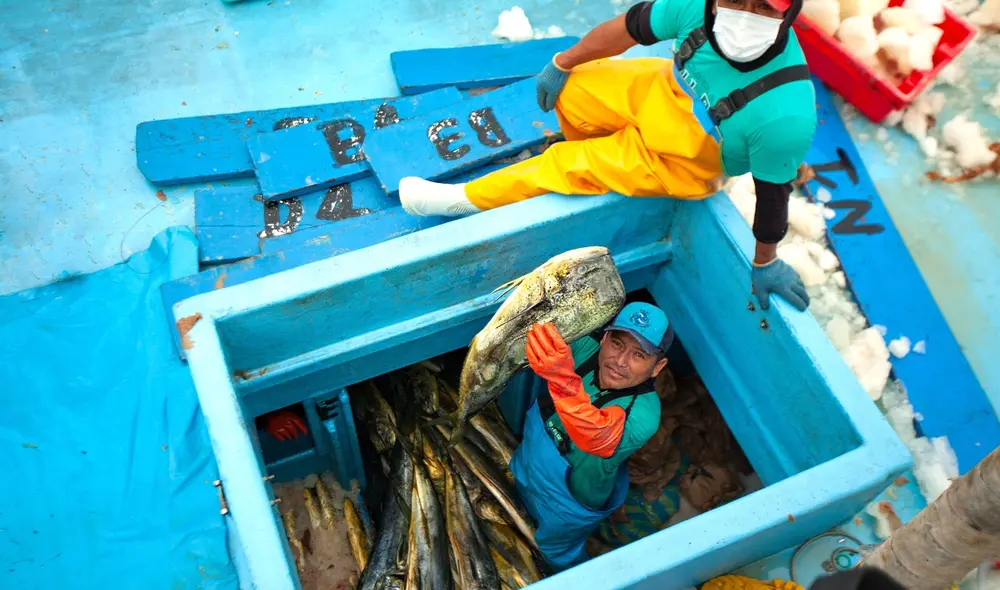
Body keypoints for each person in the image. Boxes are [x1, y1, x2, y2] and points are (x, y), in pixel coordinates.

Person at [397, 0, 817, 312]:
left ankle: (461, 199)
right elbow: (628, 27)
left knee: (561, 165)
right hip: (659, 92)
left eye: (763, 7)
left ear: (789, 13)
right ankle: (589, 146)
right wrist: (563, 61)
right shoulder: (697, 7)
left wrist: (765, 263)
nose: (745, 13)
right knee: (575, 88)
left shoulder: (788, 113)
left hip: (684, 158)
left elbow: (772, 197)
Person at [509, 301, 674, 571]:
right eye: (617, 344)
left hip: (567, 504)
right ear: (605, 337)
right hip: (526, 463)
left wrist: (562, 379)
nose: (619, 362)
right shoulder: (585, 349)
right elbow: (537, 324)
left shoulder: (644, 414)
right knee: (515, 505)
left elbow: (598, 436)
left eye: (639, 355)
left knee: (557, 551)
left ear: (658, 367)